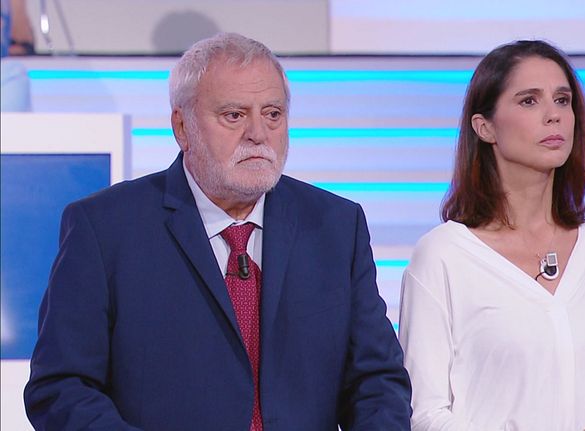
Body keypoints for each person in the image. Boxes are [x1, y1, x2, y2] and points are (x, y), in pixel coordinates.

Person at [24, 32, 412, 430]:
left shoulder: (336, 226)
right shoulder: (105, 229)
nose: (258, 133)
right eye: (234, 115)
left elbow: (377, 382)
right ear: (182, 127)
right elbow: (62, 388)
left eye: (273, 114)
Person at [398, 40, 585, 431]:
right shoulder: (442, 256)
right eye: (529, 101)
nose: (553, 116)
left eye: (562, 100)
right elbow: (425, 414)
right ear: (485, 127)